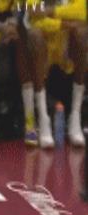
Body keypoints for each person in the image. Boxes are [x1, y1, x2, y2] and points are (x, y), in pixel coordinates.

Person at [0, 0, 39, 149]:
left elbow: (22, 5)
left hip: (11, 18)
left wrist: (14, 22)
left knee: (24, 38)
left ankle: (30, 119)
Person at [28, 0, 86, 148]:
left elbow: (83, 9)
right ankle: (43, 119)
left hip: (67, 47)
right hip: (46, 46)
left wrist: (51, 11)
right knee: (34, 34)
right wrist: (63, 24)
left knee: (83, 33)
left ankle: (75, 116)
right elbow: (32, 11)